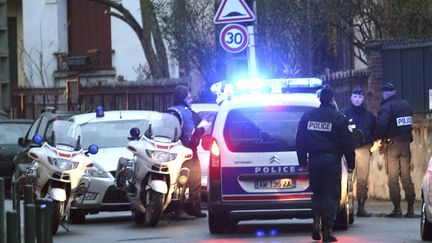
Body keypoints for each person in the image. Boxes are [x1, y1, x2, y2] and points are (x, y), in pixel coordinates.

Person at [296, 88, 355, 242]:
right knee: (331, 194)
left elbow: (300, 140)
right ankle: (327, 230)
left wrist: (302, 161)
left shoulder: (308, 116)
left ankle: (316, 222)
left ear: (320, 99)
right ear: (332, 99)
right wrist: (351, 163)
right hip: (331, 161)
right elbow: (348, 142)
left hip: (314, 160)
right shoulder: (338, 117)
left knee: (317, 193)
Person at [167, 85, 209, 220]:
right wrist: (205, 128)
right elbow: (190, 135)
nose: (191, 100)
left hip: (171, 153)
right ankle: (191, 209)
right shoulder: (187, 112)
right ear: (184, 98)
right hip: (188, 152)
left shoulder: (169, 111)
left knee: (178, 182)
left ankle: (177, 209)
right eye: (189, 97)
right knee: (193, 181)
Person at [375, 82, 416, 218]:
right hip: (405, 145)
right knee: (406, 177)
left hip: (392, 146)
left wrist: (377, 137)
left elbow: (381, 125)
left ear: (385, 94)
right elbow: (409, 123)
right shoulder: (406, 105)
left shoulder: (387, 107)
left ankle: (397, 209)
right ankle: (410, 209)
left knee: (393, 178)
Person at [340, 86, 376, 217]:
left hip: (364, 149)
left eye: (360, 97)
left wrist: (371, 144)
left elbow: (375, 131)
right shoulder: (344, 113)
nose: (357, 99)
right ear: (351, 97)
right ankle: (347, 205)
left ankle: (361, 207)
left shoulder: (369, 116)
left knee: (362, 179)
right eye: (355, 96)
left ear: (363, 99)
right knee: (348, 179)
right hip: (347, 150)